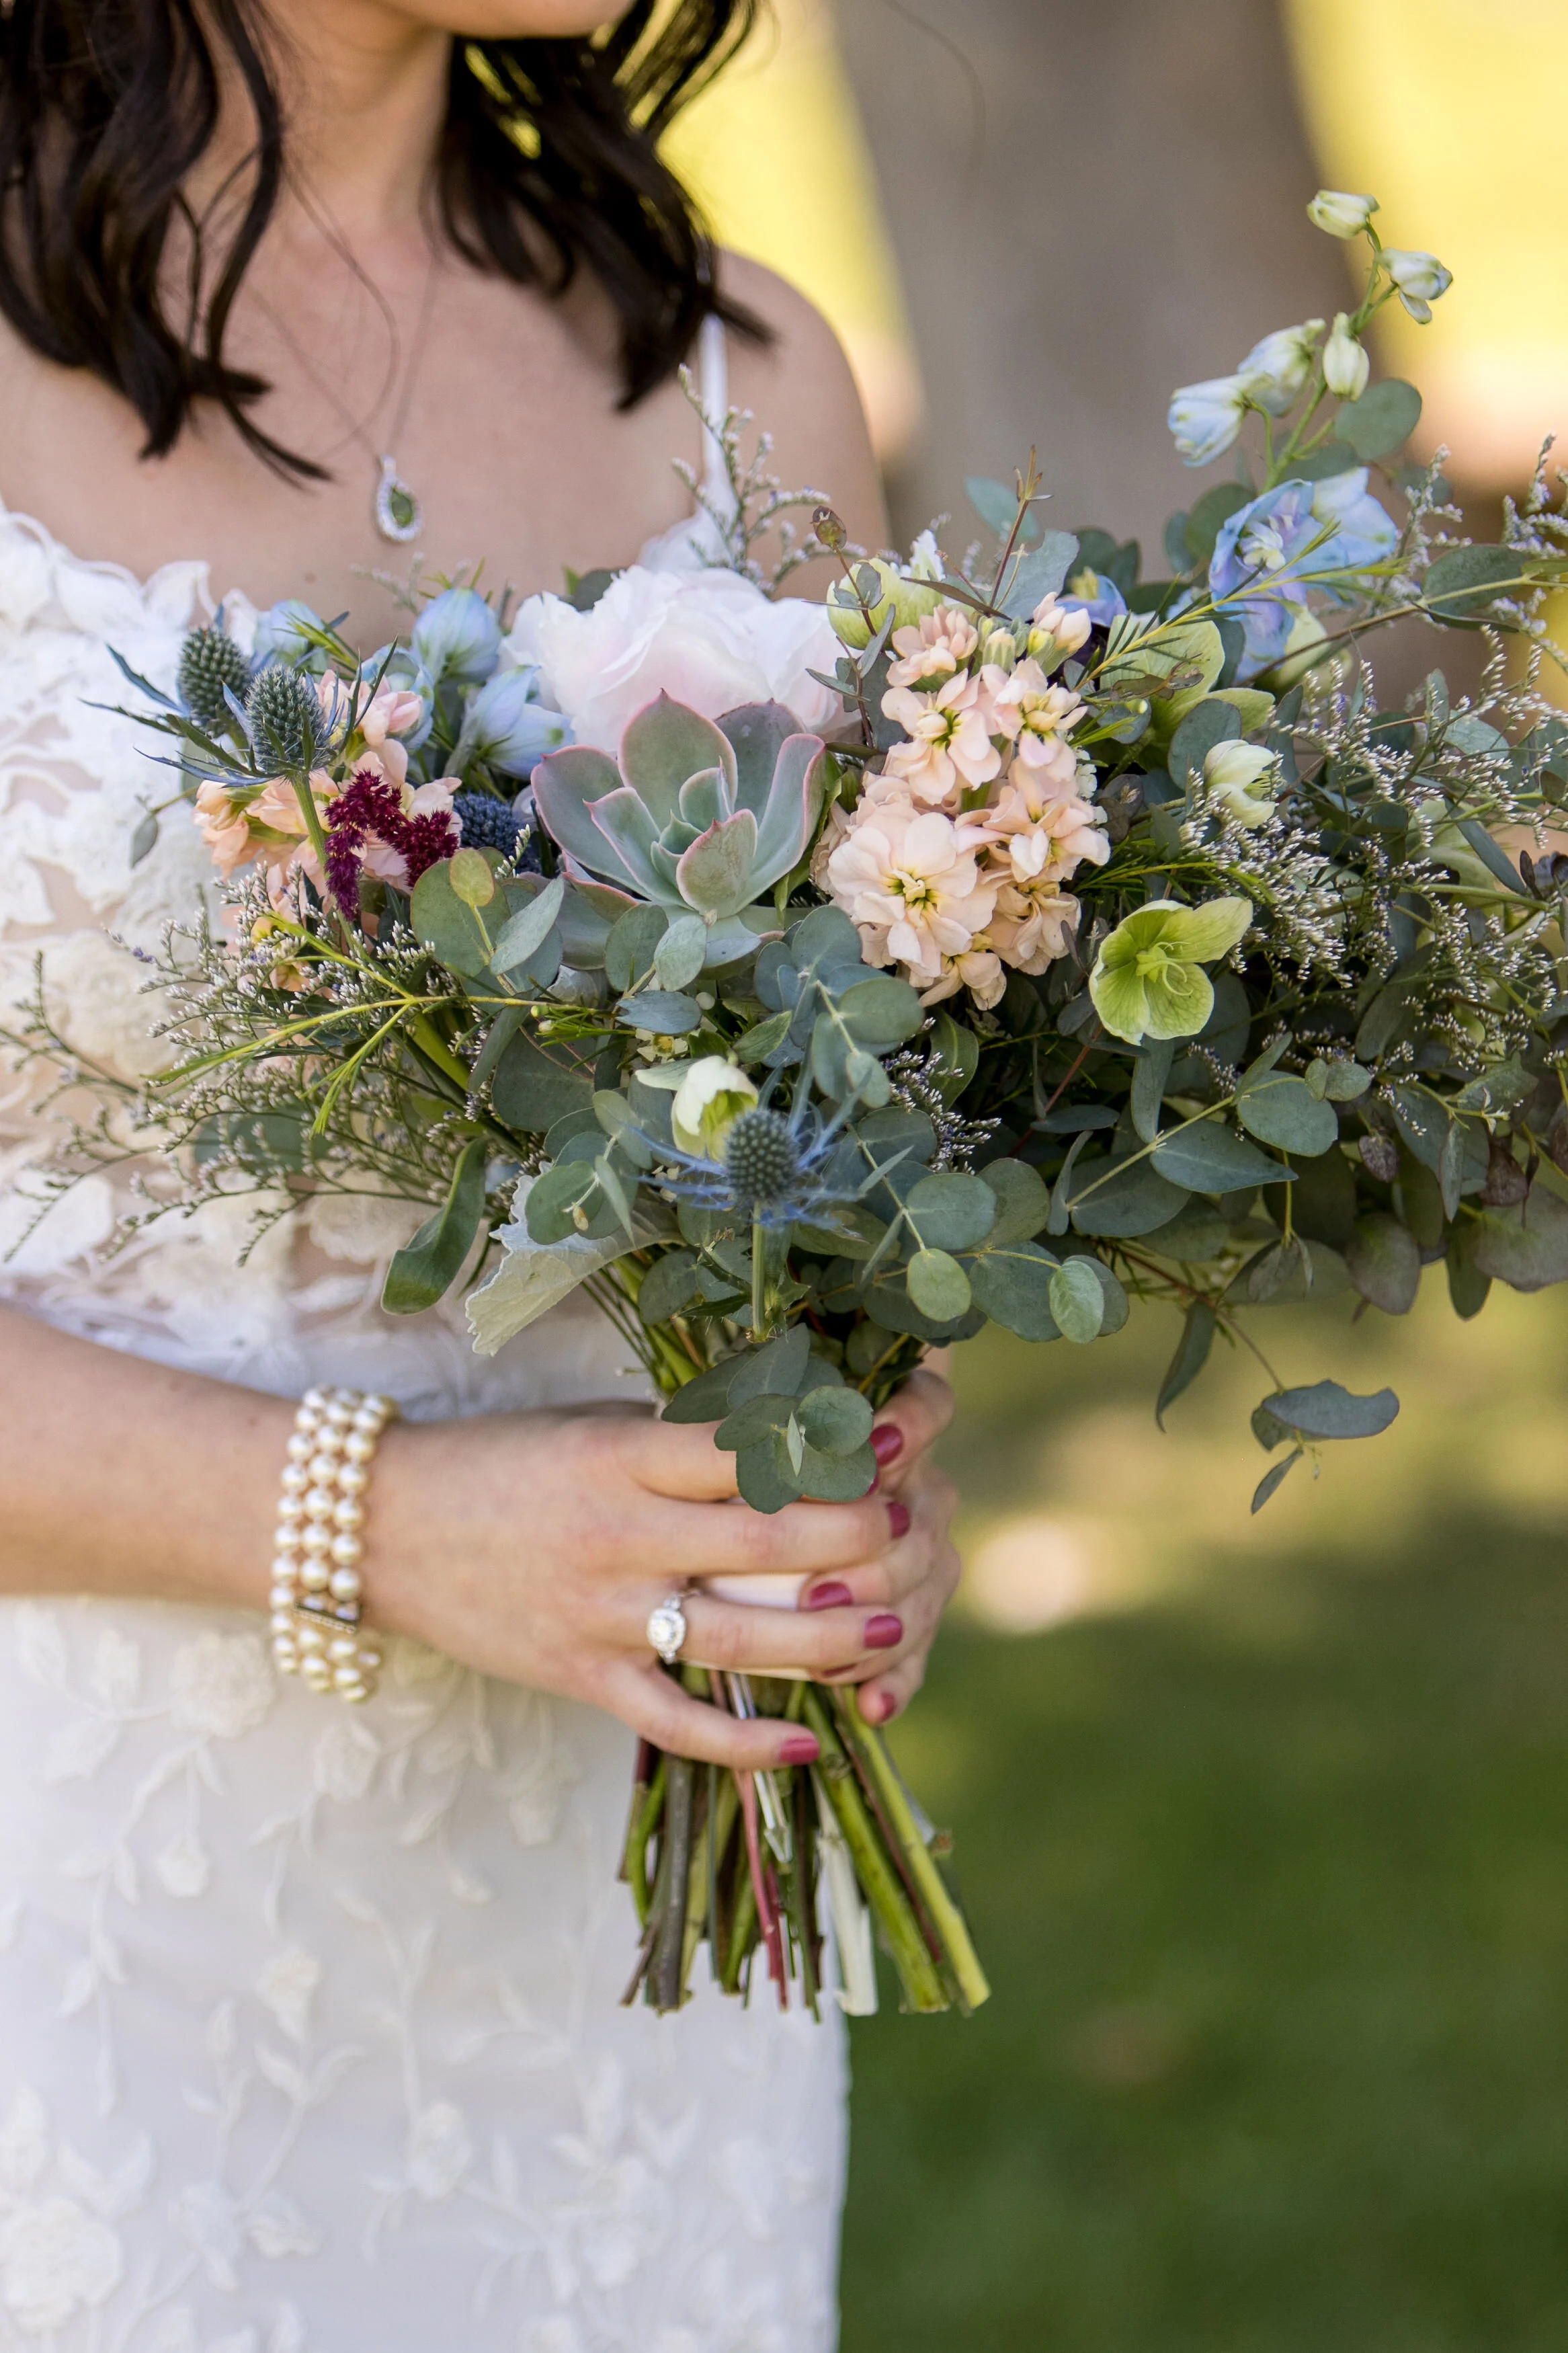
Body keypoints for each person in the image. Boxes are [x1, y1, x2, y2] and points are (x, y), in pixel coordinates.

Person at [0, 3, 961, 2348]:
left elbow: (862, 1116)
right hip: (71, 1943)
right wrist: (389, 1524)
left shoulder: (745, 376)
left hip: (617, 1977)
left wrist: (852, 1466)